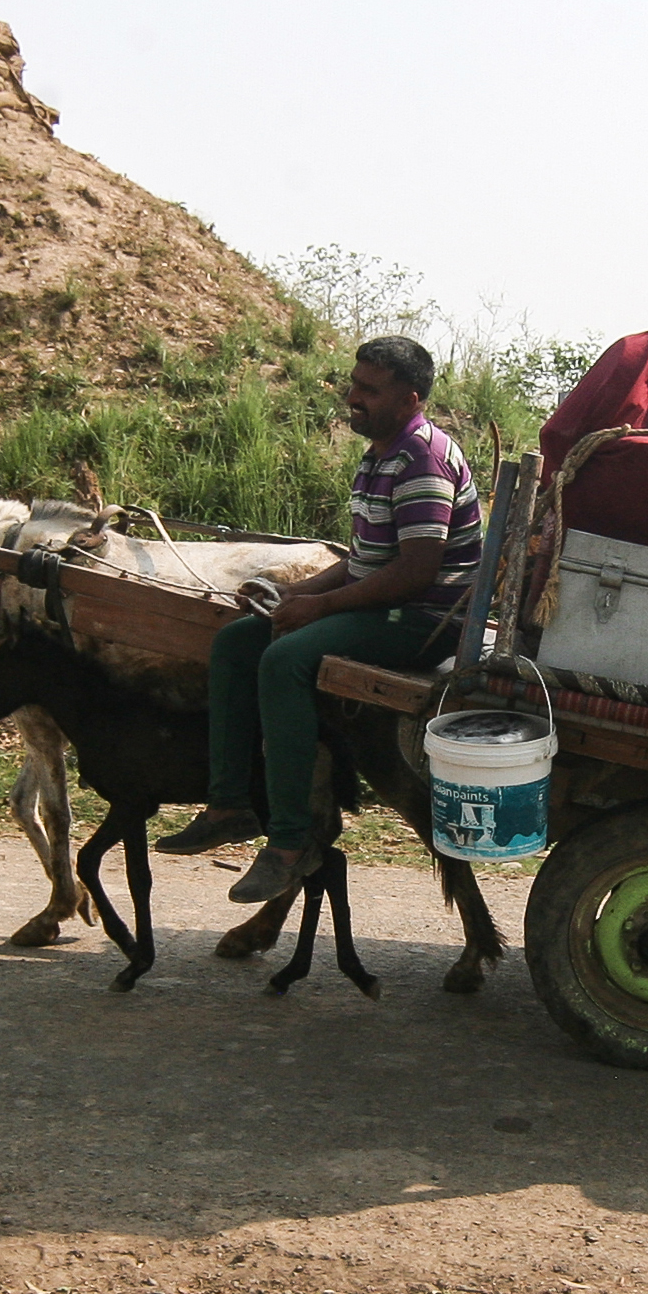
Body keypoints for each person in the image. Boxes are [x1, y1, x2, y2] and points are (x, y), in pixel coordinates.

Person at [156, 335, 482, 903]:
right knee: (238, 642)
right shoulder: (380, 454)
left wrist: (320, 608)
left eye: (369, 390)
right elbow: (362, 563)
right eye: (354, 384)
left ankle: (290, 841)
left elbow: (416, 572)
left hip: (423, 620)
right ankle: (230, 804)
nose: (353, 397)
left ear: (409, 400)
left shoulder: (421, 459)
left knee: (285, 659)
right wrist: (292, 595)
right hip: (386, 605)